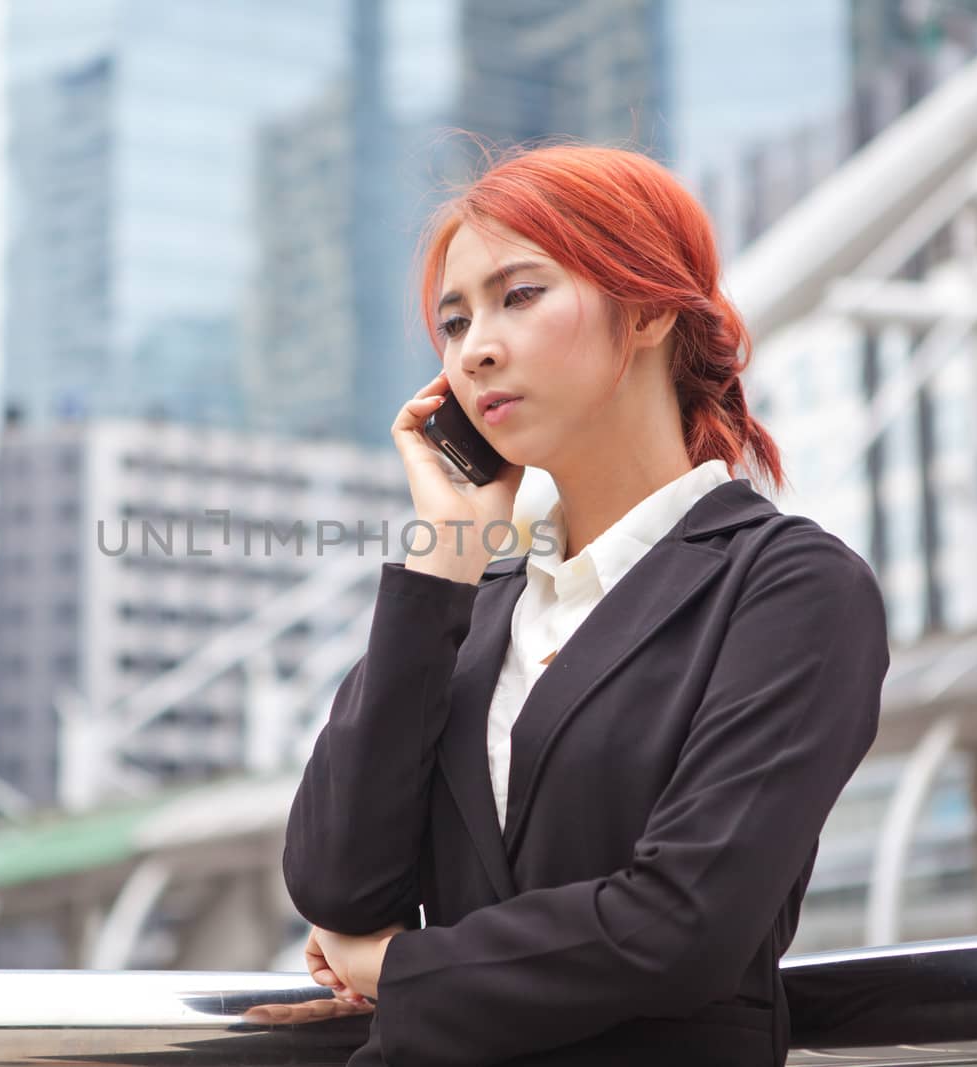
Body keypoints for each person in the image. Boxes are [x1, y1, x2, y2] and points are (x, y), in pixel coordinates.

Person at [282, 143, 890, 1066]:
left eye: (519, 296)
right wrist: (448, 548)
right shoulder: (475, 608)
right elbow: (335, 880)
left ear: (645, 307)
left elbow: (678, 924)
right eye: (453, 321)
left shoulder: (788, 589)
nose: (474, 347)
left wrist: (401, 968)